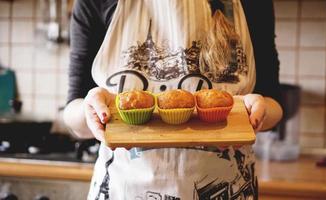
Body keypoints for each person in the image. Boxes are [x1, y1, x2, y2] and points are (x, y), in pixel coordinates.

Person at [64, 0, 283, 199]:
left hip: (227, 188)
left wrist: (256, 111)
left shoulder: (253, 4)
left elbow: (273, 103)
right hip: (124, 190)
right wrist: (88, 108)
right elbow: (76, 118)